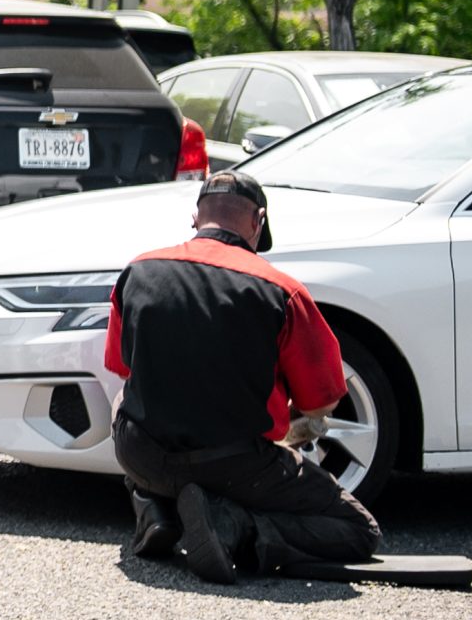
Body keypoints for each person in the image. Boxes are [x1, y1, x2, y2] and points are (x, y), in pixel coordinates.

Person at [104, 171, 381, 583]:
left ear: (195, 219)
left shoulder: (138, 271)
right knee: (360, 530)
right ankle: (235, 527)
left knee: (123, 399)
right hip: (237, 467)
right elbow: (321, 403)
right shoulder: (282, 291)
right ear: (258, 221)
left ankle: (155, 509)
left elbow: (123, 367)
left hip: (143, 456)